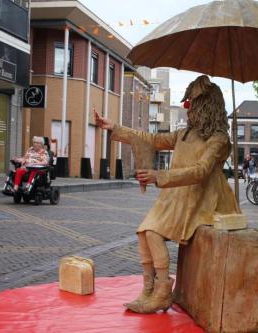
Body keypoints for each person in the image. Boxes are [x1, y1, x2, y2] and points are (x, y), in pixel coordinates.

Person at [95, 75, 241, 314]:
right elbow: (153, 139)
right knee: (144, 231)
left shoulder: (219, 139)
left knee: (153, 231)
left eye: (192, 104)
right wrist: (115, 128)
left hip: (203, 199)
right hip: (177, 195)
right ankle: (149, 289)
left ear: (205, 107)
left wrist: (159, 177)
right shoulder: (184, 134)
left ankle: (163, 291)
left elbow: (201, 171)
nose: (188, 109)